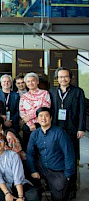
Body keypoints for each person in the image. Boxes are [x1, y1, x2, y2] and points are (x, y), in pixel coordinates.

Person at [50, 67, 86, 197]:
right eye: (60, 77)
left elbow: (82, 111)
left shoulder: (78, 92)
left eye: (65, 76)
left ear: (70, 78)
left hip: (72, 129)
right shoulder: (52, 92)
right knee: (58, 157)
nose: (63, 79)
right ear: (57, 79)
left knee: (71, 157)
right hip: (56, 130)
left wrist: (81, 128)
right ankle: (59, 188)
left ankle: (71, 190)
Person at [27, 107, 75, 201]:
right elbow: (30, 153)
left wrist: (68, 175)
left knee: (59, 197)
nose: (43, 118)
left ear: (51, 118)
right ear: (37, 119)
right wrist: (33, 170)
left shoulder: (59, 132)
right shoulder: (35, 134)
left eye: (46, 116)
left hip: (57, 170)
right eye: (40, 116)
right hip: (42, 167)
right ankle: (42, 187)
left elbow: (69, 153)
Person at [0, 133, 39, 201]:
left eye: (1, 140)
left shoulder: (13, 155)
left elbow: (17, 176)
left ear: (5, 143)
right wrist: (7, 193)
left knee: (33, 195)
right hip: (4, 187)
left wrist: (20, 197)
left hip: (20, 185)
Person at [19, 72, 50, 150]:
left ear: (37, 82)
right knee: (29, 149)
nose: (31, 83)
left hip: (41, 125)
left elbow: (44, 109)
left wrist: (30, 117)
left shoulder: (44, 93)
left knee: (42, 149)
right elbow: (22, 111)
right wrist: (30, 124)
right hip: (28, 127)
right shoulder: (24, 96)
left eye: (33, 81)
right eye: (28, 81)